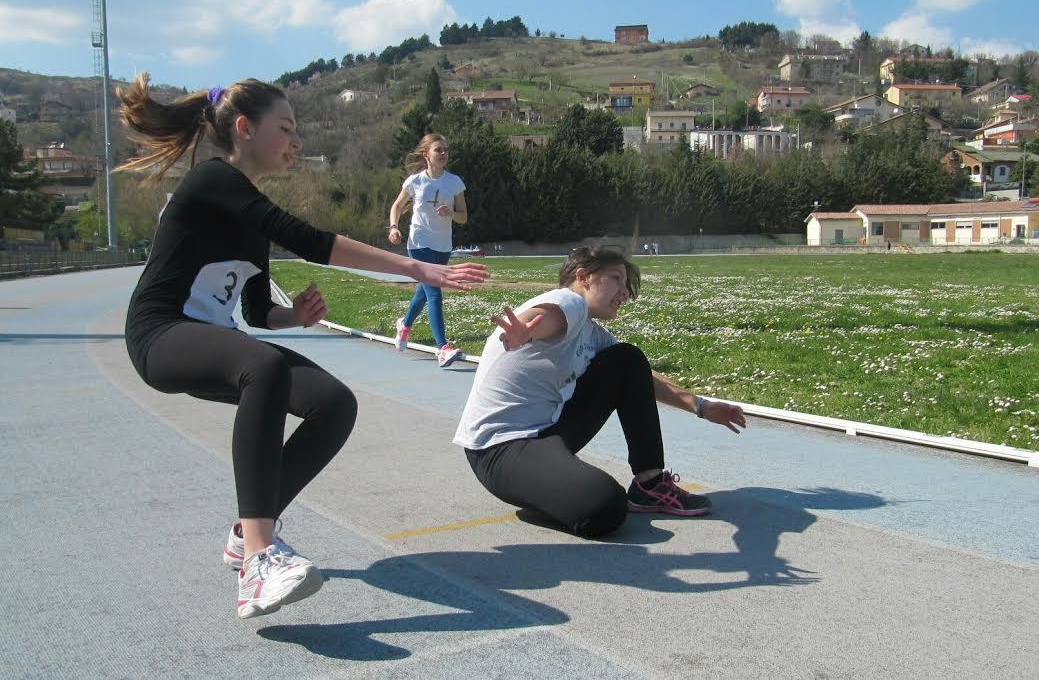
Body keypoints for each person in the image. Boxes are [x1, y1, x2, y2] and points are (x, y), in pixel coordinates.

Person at [117, 75, 486, 619]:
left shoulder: (245, 212)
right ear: (244, 129)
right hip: (158, 334)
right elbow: (310, 241)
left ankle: (246, 531)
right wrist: (413, 265)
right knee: (262, 366)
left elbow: (256, 310)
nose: (294, 141)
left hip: (214, 337)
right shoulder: (212, 182)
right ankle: (260, 560)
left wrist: (295, 316)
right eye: (285, 129)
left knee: (334, 404)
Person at [453, 247, 746, 538]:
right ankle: (554, 494)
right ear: (584, 277)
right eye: (616, 278)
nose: (625, 292)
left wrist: (701, 406)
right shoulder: (568, 302)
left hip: (544, 434)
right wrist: (528, 330)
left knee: (627, 360)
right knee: (605, 507)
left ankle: (650, 484)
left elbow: (642, 377)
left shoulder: (591, 333)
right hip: (498, 450)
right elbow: (548, 316)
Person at [387, 134, 468, 367]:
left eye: (445, 150)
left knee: (424, 292)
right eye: (438, 150)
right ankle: (442, 348)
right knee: (434, 293)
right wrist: (393, 227)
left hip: (442, 245)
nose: (443, 154)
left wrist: (451, 213)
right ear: (426, 155)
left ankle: (405, 324)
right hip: (419, 243)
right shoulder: (415, 181)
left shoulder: (454, 182)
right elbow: (397, 206)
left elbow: (463, 217)